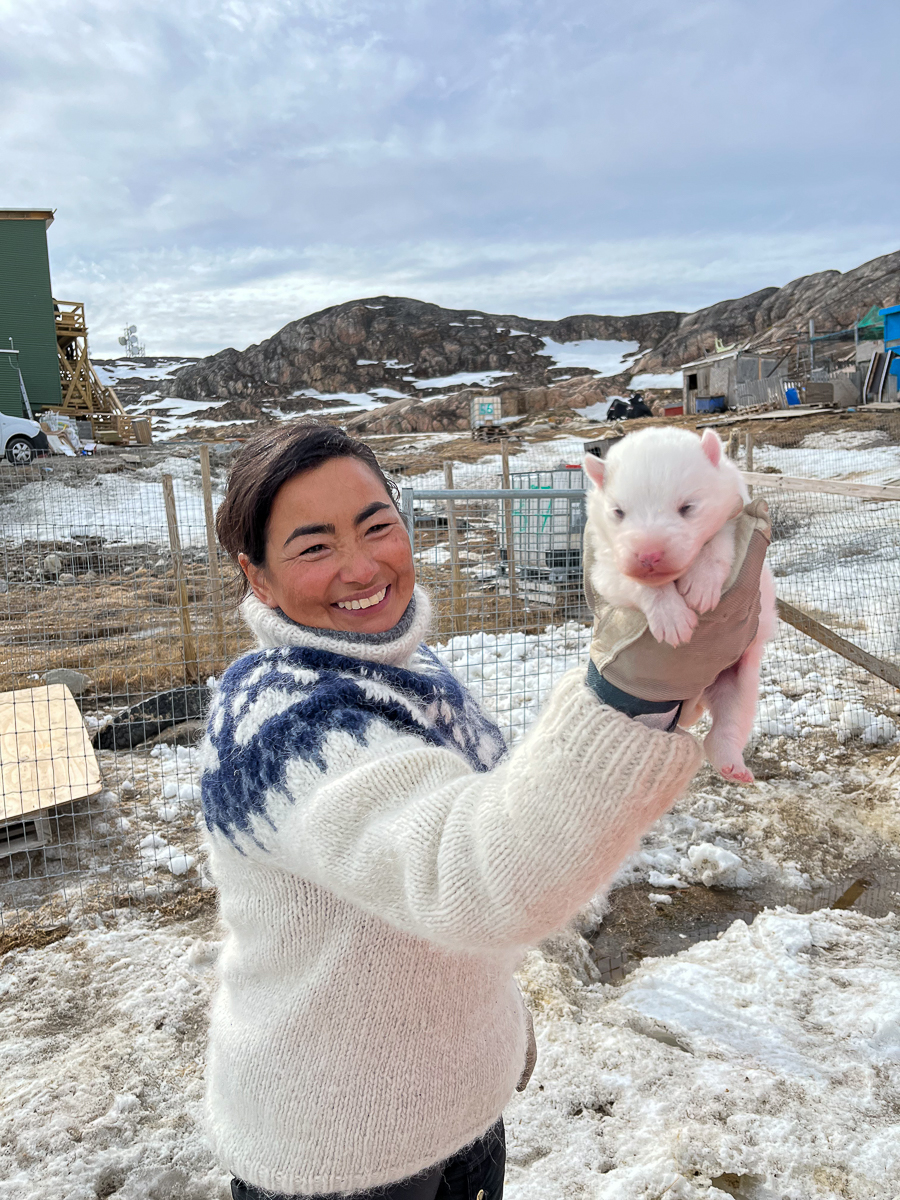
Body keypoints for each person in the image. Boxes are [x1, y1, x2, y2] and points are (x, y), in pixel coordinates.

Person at [201, 422, 704, 1200]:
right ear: (257, 578)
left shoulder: (406, 668)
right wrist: (630, 694)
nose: (363, 566)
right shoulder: (278, 724)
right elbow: (458, 870)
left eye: (377, 525)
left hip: (460, 1113)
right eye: (314, 546)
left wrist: (491, 1028)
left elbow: (495, 823)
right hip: (335, 1153)